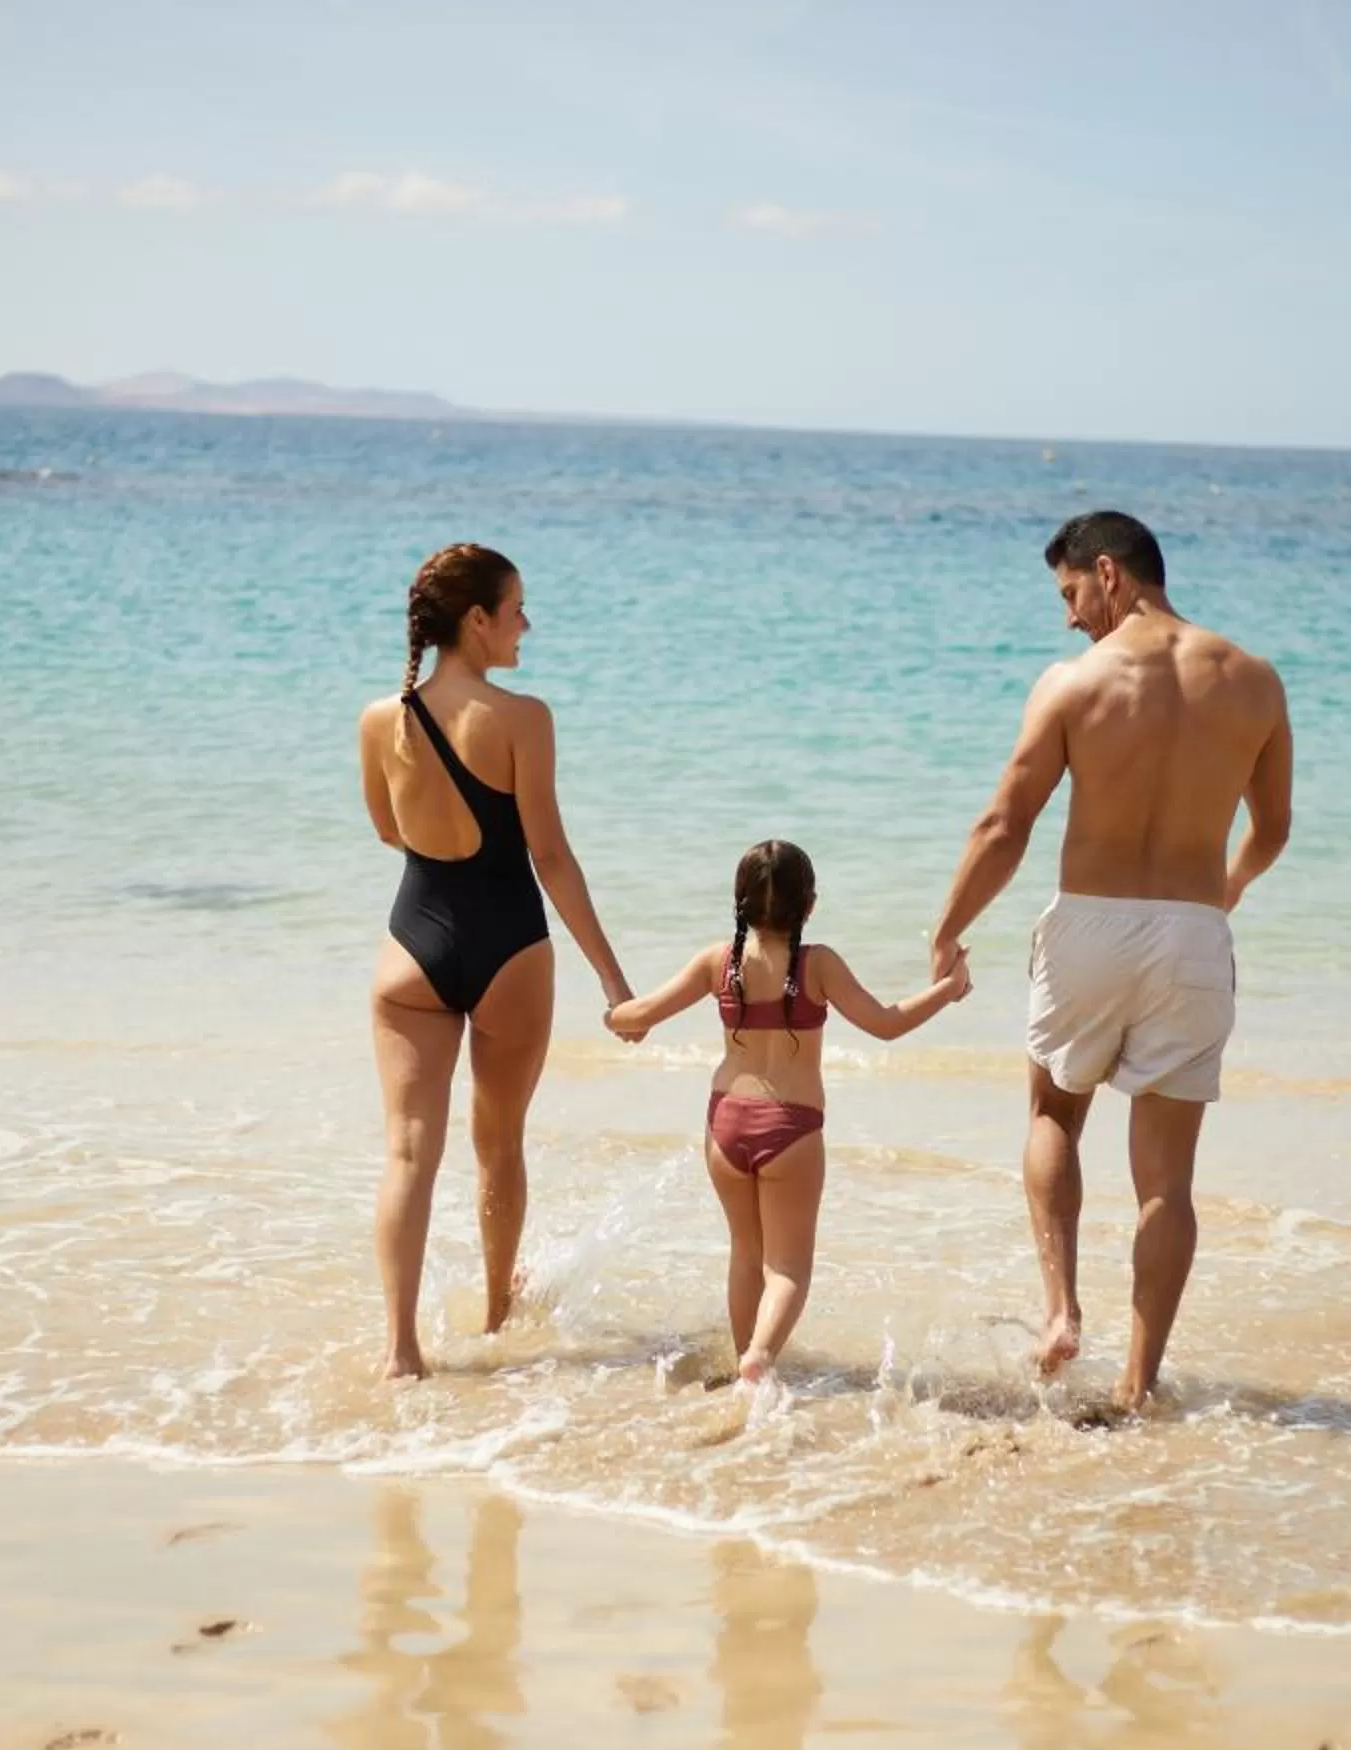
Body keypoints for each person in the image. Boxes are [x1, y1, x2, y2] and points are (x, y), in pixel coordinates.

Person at [927, 511, 1294, 1410]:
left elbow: (1004, 825)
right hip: (1192, 932)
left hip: (1090, 925)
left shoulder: (1073, 682)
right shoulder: (1254, 680)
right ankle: (1138, 1385)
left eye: (1070, 595)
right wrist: (1230, 885)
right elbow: (1275, 827)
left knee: (1054, 1111)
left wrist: (946, 932)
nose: (1069, 618)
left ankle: (1061, 1312)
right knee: (1167, 1181)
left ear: (1109, 573)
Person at [357, 543, 634, 1381]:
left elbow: (387, 832)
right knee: (498, 1143)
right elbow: (550, 857)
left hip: (412, 945)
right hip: (508, 942)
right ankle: (494, 1320)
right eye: (516, 609)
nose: (526, 624)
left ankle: (402, 1351)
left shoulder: (382, 718)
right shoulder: (523, 718)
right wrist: (612, 980)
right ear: (476, 621)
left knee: (409, 1153)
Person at [603, 840, 971, 1384]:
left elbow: (639, 1014)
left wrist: (615, 1014)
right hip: (791, 1129)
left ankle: (743, 1364)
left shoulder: (718, 963)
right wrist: (948, 989)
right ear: (810, 905)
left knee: (746, 1255)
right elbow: (886, 1023)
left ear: (740, 903)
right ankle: (760, 1358)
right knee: (789, 1269)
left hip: (724, 1123)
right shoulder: (817, 964)